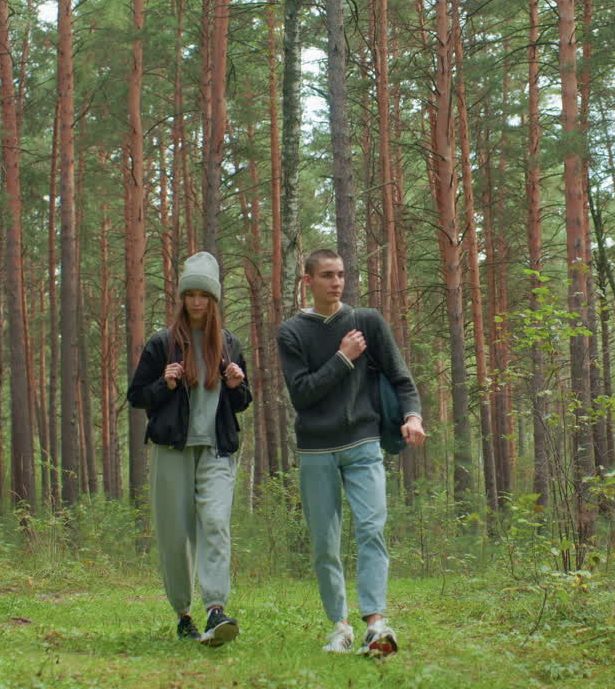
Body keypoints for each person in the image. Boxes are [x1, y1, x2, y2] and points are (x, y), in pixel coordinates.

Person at [276, 248, 426, 657]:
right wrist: (344, 358)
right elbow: (302, 394)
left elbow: (401, 379)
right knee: (325, 543)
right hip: (316, 449)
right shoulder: (292, 332)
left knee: (371, 529)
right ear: (308, 281)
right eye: (326, 275)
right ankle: (339, 626)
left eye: (340, 274)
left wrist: (412, 417)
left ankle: (375, 624)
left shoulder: (367, 322)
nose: (336, 282)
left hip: (363, 443)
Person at [127, 251, 251, 647]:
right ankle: (183, 614)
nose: (197, 302)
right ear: (182, 298)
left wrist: (236, 384)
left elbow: (243, 401)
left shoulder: (229, 344)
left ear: (214, 300)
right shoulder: (162, 343)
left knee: (215, 523)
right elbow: (136, 397)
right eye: (191, 294)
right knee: (175, 535)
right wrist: (162, 384)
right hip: (173, 450)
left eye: (204, 295)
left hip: (216, 449)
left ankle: (216, 609)